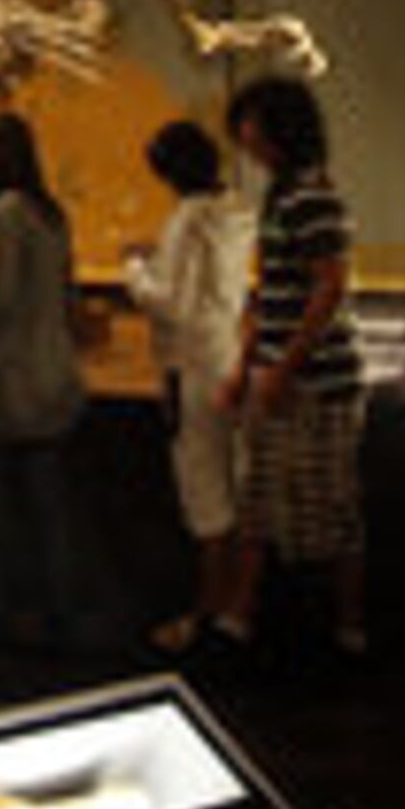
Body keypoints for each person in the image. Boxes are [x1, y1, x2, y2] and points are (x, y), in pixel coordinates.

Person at [213, 73, 366, 659]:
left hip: (317, 384)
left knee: (328, 507)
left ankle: (345, 631)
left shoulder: (313, 197)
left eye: (250, 125)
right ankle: (242, 621)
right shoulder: (280, 196)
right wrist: (247, 364)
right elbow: (270, 290)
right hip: (277, 376)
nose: (245, 139)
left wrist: (284, 367)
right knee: (263, 502)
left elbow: (329, 288)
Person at [0, 107, 88, 654]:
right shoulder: (51, 213)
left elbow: (0, 297)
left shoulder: (5, 211)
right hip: (56, 377)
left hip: (15, 382)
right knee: (49, 506)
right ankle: (61, 617)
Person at [124, 115, 253, 654]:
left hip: (189, 369)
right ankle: (233, 613)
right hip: (226, 357)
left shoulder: (186, 219)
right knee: (236, 491)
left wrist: (135, 270)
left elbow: (170, 302)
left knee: (205, 499)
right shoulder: (237, 214)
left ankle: (205, 617)